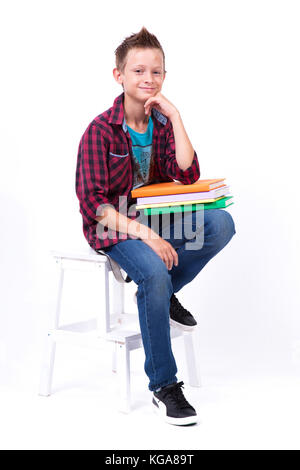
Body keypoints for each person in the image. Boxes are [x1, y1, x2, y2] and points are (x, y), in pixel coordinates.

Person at [75, 26, 236, 426]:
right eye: (138, 71)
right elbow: (95, 206)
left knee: (220, 222)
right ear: (119, 76)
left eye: (157, 72)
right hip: (115, 227)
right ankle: (163, 386)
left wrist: (176, 115)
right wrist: (146, 234)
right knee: (151, 271)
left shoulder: (162, 124)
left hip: (156, 217)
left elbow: (186, 173)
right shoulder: (99, 130)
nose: (148, 79)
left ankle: (160, 296)